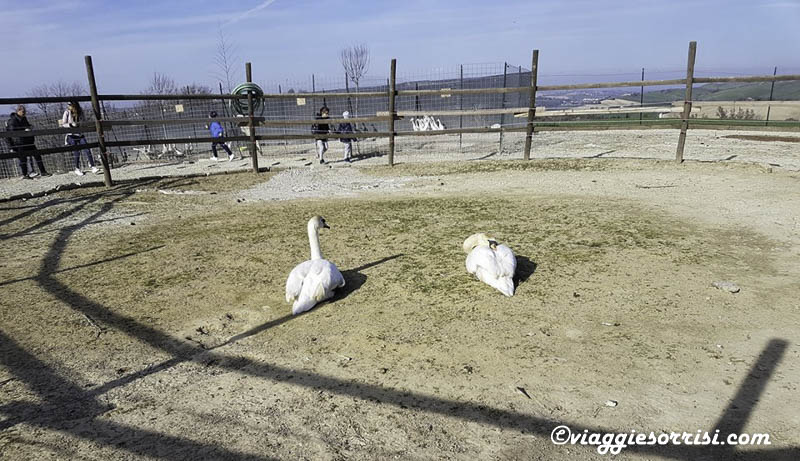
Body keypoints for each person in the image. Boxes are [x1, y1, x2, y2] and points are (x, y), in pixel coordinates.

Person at [6, 105, 49, 179]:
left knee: (37, 155)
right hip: (19, 143)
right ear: (18, 111)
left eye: (25, 111)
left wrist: (30, 127)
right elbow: (13, 133)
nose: (24, 113)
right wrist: (24, 131)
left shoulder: (24, 119)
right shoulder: (12, 121)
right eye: (23, 111)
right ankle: (24, 174)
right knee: (23, 159)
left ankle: (43, 172)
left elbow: (27, 126)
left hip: (28, 141)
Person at [60, 101, 98, 176]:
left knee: (87, 149)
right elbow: (63, 124)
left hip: (80, 134)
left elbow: (84, 121)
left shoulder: (80, 112)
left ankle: (92, 166)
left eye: (70, 105)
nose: (69, 106)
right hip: (71, 135)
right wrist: (71, 125)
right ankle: (77, 168)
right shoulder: (67, 112)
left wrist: (80, 124)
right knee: (76, 152)